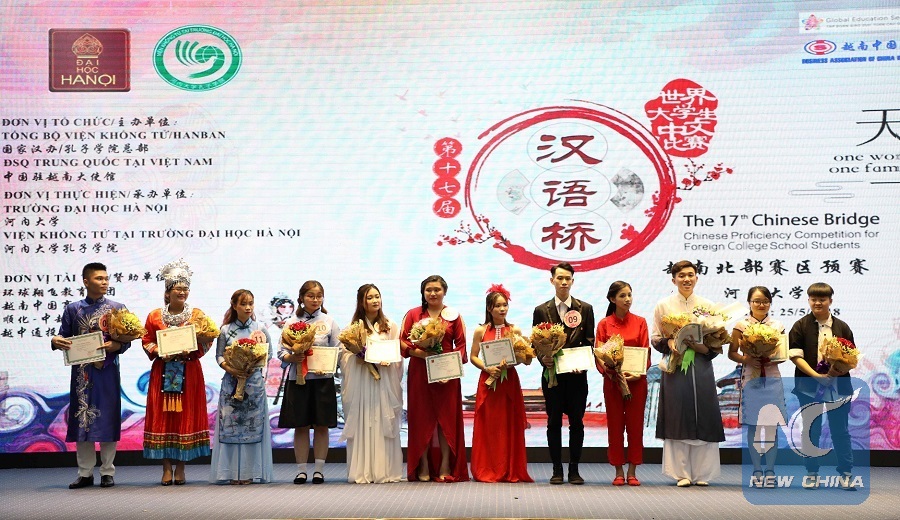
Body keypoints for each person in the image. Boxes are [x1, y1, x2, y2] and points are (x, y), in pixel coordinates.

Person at [50, 262, 133, 489]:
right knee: (82, 419)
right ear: (86, 282)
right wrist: (55, 341)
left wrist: (117, 345)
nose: (104, 282)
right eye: (99, 278)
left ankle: (107, 472)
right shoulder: (73, 309)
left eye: (106, 278)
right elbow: (64, 336)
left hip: (107, 372)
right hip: (82, 374)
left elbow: (127, 342)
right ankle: (85, 473)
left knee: (108, 418)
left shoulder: (117, 309)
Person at [651, 260, 724, 487]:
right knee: (677, 415)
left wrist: (703, 348)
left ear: (697, 278)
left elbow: (716, 342)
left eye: (690, 275)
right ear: (673, 280)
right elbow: (655, 337)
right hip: (675, 366)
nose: (686, 279)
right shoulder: (663, 305)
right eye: (681, 275)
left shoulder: (708, 306)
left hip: (701, 367)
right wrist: (669, 342)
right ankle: (681, 473)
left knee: (704, 413)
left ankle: (702, 473)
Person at [141, 259, 213, 485]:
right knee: (163, 418)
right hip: (162, 371)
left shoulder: (197, 315)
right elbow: (146, 340)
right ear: (167, 292)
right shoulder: (154, 316)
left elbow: (208, 340)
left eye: (185, 288)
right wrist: (159, 352)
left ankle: (181, 467)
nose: (182, 292)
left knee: (185, 417)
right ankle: (165, 467)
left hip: (189, 371)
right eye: (177, 288)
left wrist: (191, 349)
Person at [400, 275, 469, 483]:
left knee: (446, 420)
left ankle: (445, 463)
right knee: (420, 419)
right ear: (423, 293)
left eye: (437, 289)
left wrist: (449, 371)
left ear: (444, 292)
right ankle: (422, 463)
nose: (433, 293)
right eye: (428, 290)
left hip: (446, 375)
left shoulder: (454, 316)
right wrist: (422, 354)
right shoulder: (413, 314)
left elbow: (461, 346)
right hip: (420, 373)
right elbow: (403, 342)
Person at [788, 282, 856, 490]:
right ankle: (812, 473)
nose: (817, 303)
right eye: (813, 299)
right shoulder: (800, 325)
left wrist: (836, 373)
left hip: (838, 387)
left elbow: (851, 357)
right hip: (808, 387)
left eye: (822, 299)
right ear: (809, 300)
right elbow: (795, 356)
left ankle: (845, 473)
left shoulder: (842, 327)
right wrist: (817, 376)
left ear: (830, 301)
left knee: (840, 431)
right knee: (811, 430)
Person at [532, 262, 594, 485]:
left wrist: (583, 362)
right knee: (553, 423)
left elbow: (589, 341)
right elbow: (536, 343)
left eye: (568, 278)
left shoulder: (585, 308)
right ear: (552, 281)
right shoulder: (541, 310)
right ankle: (557, 469)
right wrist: (544, 358)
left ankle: (574, 469)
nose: (564, 282)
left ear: (573, 281)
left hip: (577, 376)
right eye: (560, 278)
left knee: (577, 422)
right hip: (552, 376)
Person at [277, 280, 341, 485]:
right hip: (298, 381)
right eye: (311, 296)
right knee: (301, 426)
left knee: (322, 426)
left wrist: (329, 366)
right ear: (301, 298)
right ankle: (301, 471)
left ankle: (319, 471)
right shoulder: (291, 322)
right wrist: (292, 357)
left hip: (323, 381)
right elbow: (281, 352)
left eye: (319, 296)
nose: (315, 300)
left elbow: (338, 350)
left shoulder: (329, 321)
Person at [339, 284, 404, 483]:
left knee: (383, 420)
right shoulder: (353, 328)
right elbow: (344, 357)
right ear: (361, 302)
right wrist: (359, 357)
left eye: (377, 296)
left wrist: (390, 361)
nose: (375, 301)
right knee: (365, 421)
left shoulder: (390, 325)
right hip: (362, 382)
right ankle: (363, 470)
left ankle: (385, 470)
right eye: (370, 297)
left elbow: (398, 354)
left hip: (384, 381)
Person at [469, 284, 533, 483]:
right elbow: (473, 356)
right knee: (489, 424)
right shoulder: (480, 330)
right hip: (488, 381)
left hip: (508, 382)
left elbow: (525, 356)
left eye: (505, 305)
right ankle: (487, 468)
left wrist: (517, 360)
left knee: (508, 424)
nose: (502, 309)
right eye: (498, 306)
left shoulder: (514, 330)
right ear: (489, 308)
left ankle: (509, 469)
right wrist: (488, 368)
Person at [209, 289, 274, 485]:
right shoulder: (225, 330)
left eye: (250, 303)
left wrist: (253, 365)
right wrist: (231, 368)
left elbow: (269, 354)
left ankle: (248, 472)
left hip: (253, 385)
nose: (247, 307)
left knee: (251, 427)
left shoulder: (260, 329)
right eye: (243, 304)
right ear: (234, 305)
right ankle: (230, 473)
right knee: (231, 426)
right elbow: (219, 356)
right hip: (231, 383)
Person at [728, 286, 786, 484]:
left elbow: (783, 355)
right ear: (749, 303)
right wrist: (747, 359)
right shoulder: (741, 325)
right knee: (753, 426)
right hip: (751, 379)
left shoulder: (777, 325)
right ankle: (757, 470)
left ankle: (770, 470)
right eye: (757, 301)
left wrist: (771, 357)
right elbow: (732, 353)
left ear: (770, 303)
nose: (761, 304)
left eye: (765, 301)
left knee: (771, 427)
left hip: (772, 379)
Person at [594, 281, 649, 487]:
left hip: (636, 382)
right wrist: (611, 372)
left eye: (629, 295)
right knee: (615, 426)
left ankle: (633, 470)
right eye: (622, 296)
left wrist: (637, 373)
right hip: (613, 382)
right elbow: (599, 354)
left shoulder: (640, 322)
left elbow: (645, 351)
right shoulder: (604, 324)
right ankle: (618, 470)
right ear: (612, 299)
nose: (627, 299)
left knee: (635, 426)